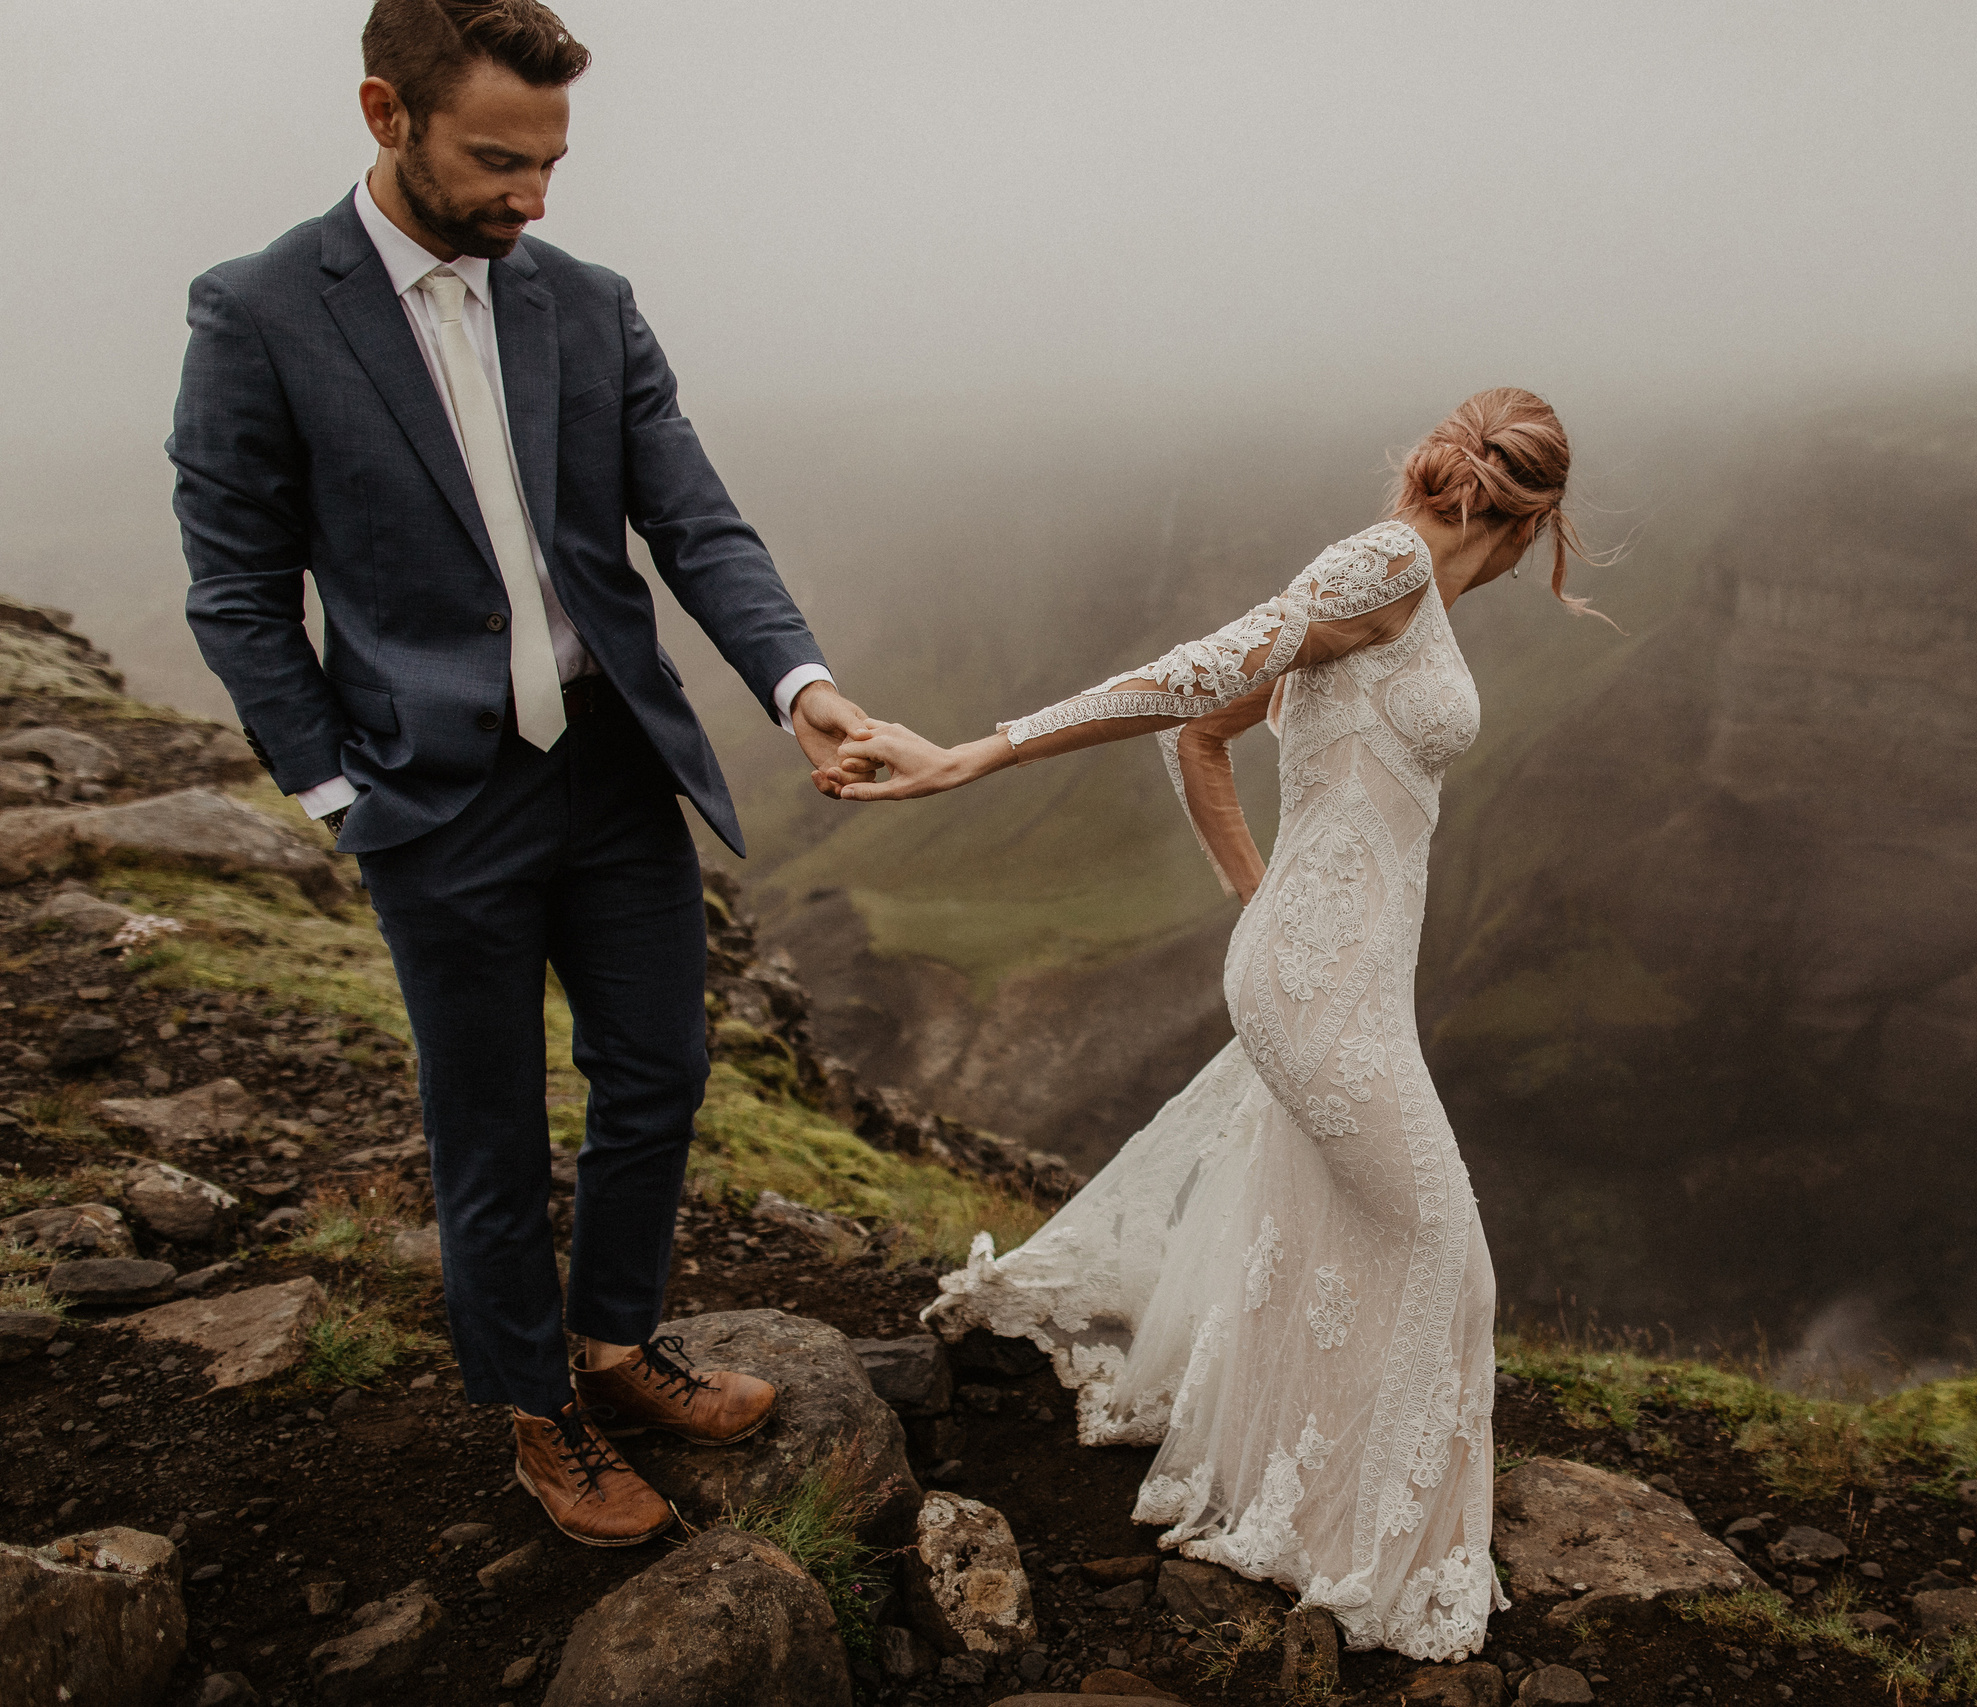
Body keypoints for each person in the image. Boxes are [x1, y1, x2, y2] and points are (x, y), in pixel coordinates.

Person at [169, 0, 872, 1546]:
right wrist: (337, 791)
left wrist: (800, 685)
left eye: (553, 160)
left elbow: (696, 522)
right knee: (486, 1122)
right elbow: (235, 586)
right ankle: (536, 1412)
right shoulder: (261, 310)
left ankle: (616, 1349)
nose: (533, 197)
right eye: (499, 159)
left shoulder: (589, 301)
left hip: (612, 764)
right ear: (384, 113)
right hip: (430, 794)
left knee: (664, 1074)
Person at [828, 389, 1607, 1660]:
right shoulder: (1389, 562)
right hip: (1318, 989)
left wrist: (1261, 903)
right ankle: (1366, 1555)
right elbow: (1200, 674)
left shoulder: (1408, 595)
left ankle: (1299, 1493)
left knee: (1329, 1236)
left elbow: (1202, 742)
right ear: (1533, 517)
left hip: (1334, 973)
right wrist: (978, 755)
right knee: (1445, 1262)